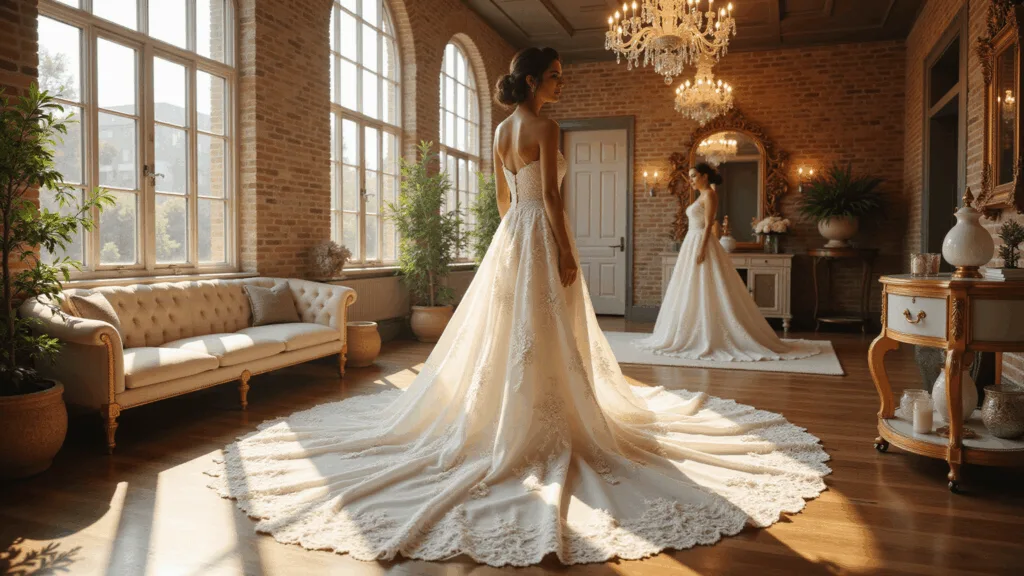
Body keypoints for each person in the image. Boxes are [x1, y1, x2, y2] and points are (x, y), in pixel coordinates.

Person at [208, 48, 828, 567]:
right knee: (547, 325)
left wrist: (516, 241)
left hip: (511, 239)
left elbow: (507, 201)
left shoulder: (501, 131)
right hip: (541, 234)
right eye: (556, 75)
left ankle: (510, 408)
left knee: (510, 329)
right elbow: (554, 203)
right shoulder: (546, 127)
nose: (561, 82)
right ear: (533, 80)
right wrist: (562, 252)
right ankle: (542, 411)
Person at [634, 163, 820, 362]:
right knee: (690, 286)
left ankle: (712, 334)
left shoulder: (710, 195)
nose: (691, 180)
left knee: (709, 285)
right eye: (690, 176)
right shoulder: (700, 196)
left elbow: (708, 225)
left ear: (705, 177)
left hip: (700, 241)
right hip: (691, 240)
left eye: (694, 176)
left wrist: (702, 249)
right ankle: (690, 331)